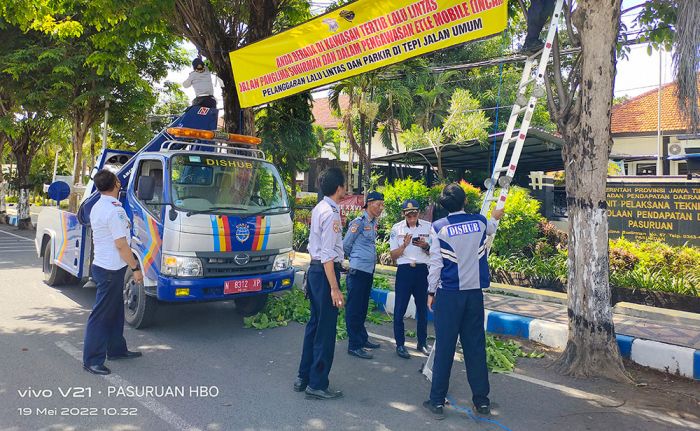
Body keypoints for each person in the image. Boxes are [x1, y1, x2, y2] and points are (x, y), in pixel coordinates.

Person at [423, 184, 504, 420]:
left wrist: (430, 292)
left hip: (449, 295)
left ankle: (437, 401)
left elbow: (436, 265)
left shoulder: (439, 228)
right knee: (475, 347)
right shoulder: (479, 222)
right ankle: (482, 401)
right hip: (474, 295)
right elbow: (491, 226)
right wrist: (496, 215)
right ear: (464, 200)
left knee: (445, 348)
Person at [83, 169, 144, 375]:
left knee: (115, 311)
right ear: (116, 184)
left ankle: (117, 349)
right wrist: (135, 267)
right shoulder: (114, 210)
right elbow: (120, 244)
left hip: (105, 266)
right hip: (110, 269)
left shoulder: (98, 206)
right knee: (101, 316)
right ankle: (92, 360)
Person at [294, 167, 346, 400]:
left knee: (314, 325)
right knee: (325, 330)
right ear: (338, 188)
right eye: (344, 186)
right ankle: (317, 383)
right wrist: (335, 288)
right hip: (325, 273)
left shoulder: (318, 208)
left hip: (315, 271)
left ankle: (303, 376)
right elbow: (327, 255)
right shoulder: (332, 213)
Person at [389, 199, 432, 359]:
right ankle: (400, 344)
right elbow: (393, 255)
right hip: (405, 270)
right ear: (404, 215)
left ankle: (422, 342)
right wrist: (404, 246)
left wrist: (425, 246)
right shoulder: (397, 228)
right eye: (409, 215)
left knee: (422, 309)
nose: (412, 218)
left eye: (414, 214)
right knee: (400, 309)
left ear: (419, 213)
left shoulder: (428, 227)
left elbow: (434, 252)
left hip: (422, 271)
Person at [343, 191, 384, 360]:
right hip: (358, 270)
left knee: (362, 307)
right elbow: (346, 244)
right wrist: (355, 260)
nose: (381, 208)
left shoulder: (373, 223)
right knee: (354, 308)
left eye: (383, 205)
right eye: (379, 204)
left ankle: (362, 338)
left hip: (368, 270)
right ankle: (354, 345)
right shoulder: (358, 222)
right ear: (369, 203)